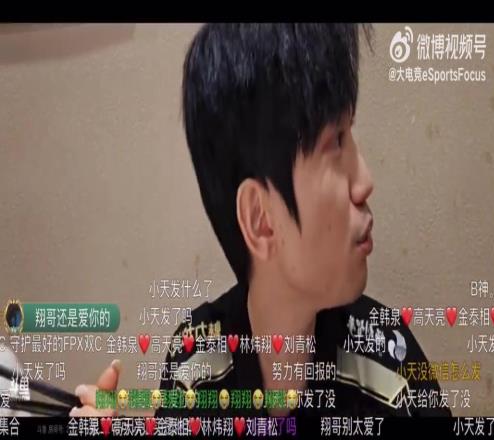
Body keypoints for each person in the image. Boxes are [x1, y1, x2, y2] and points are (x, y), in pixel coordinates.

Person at [73, 24, 451, 424]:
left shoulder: (390, 360)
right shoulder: (198, 362)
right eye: (336, 141)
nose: (364, 182)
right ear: (260, 219)